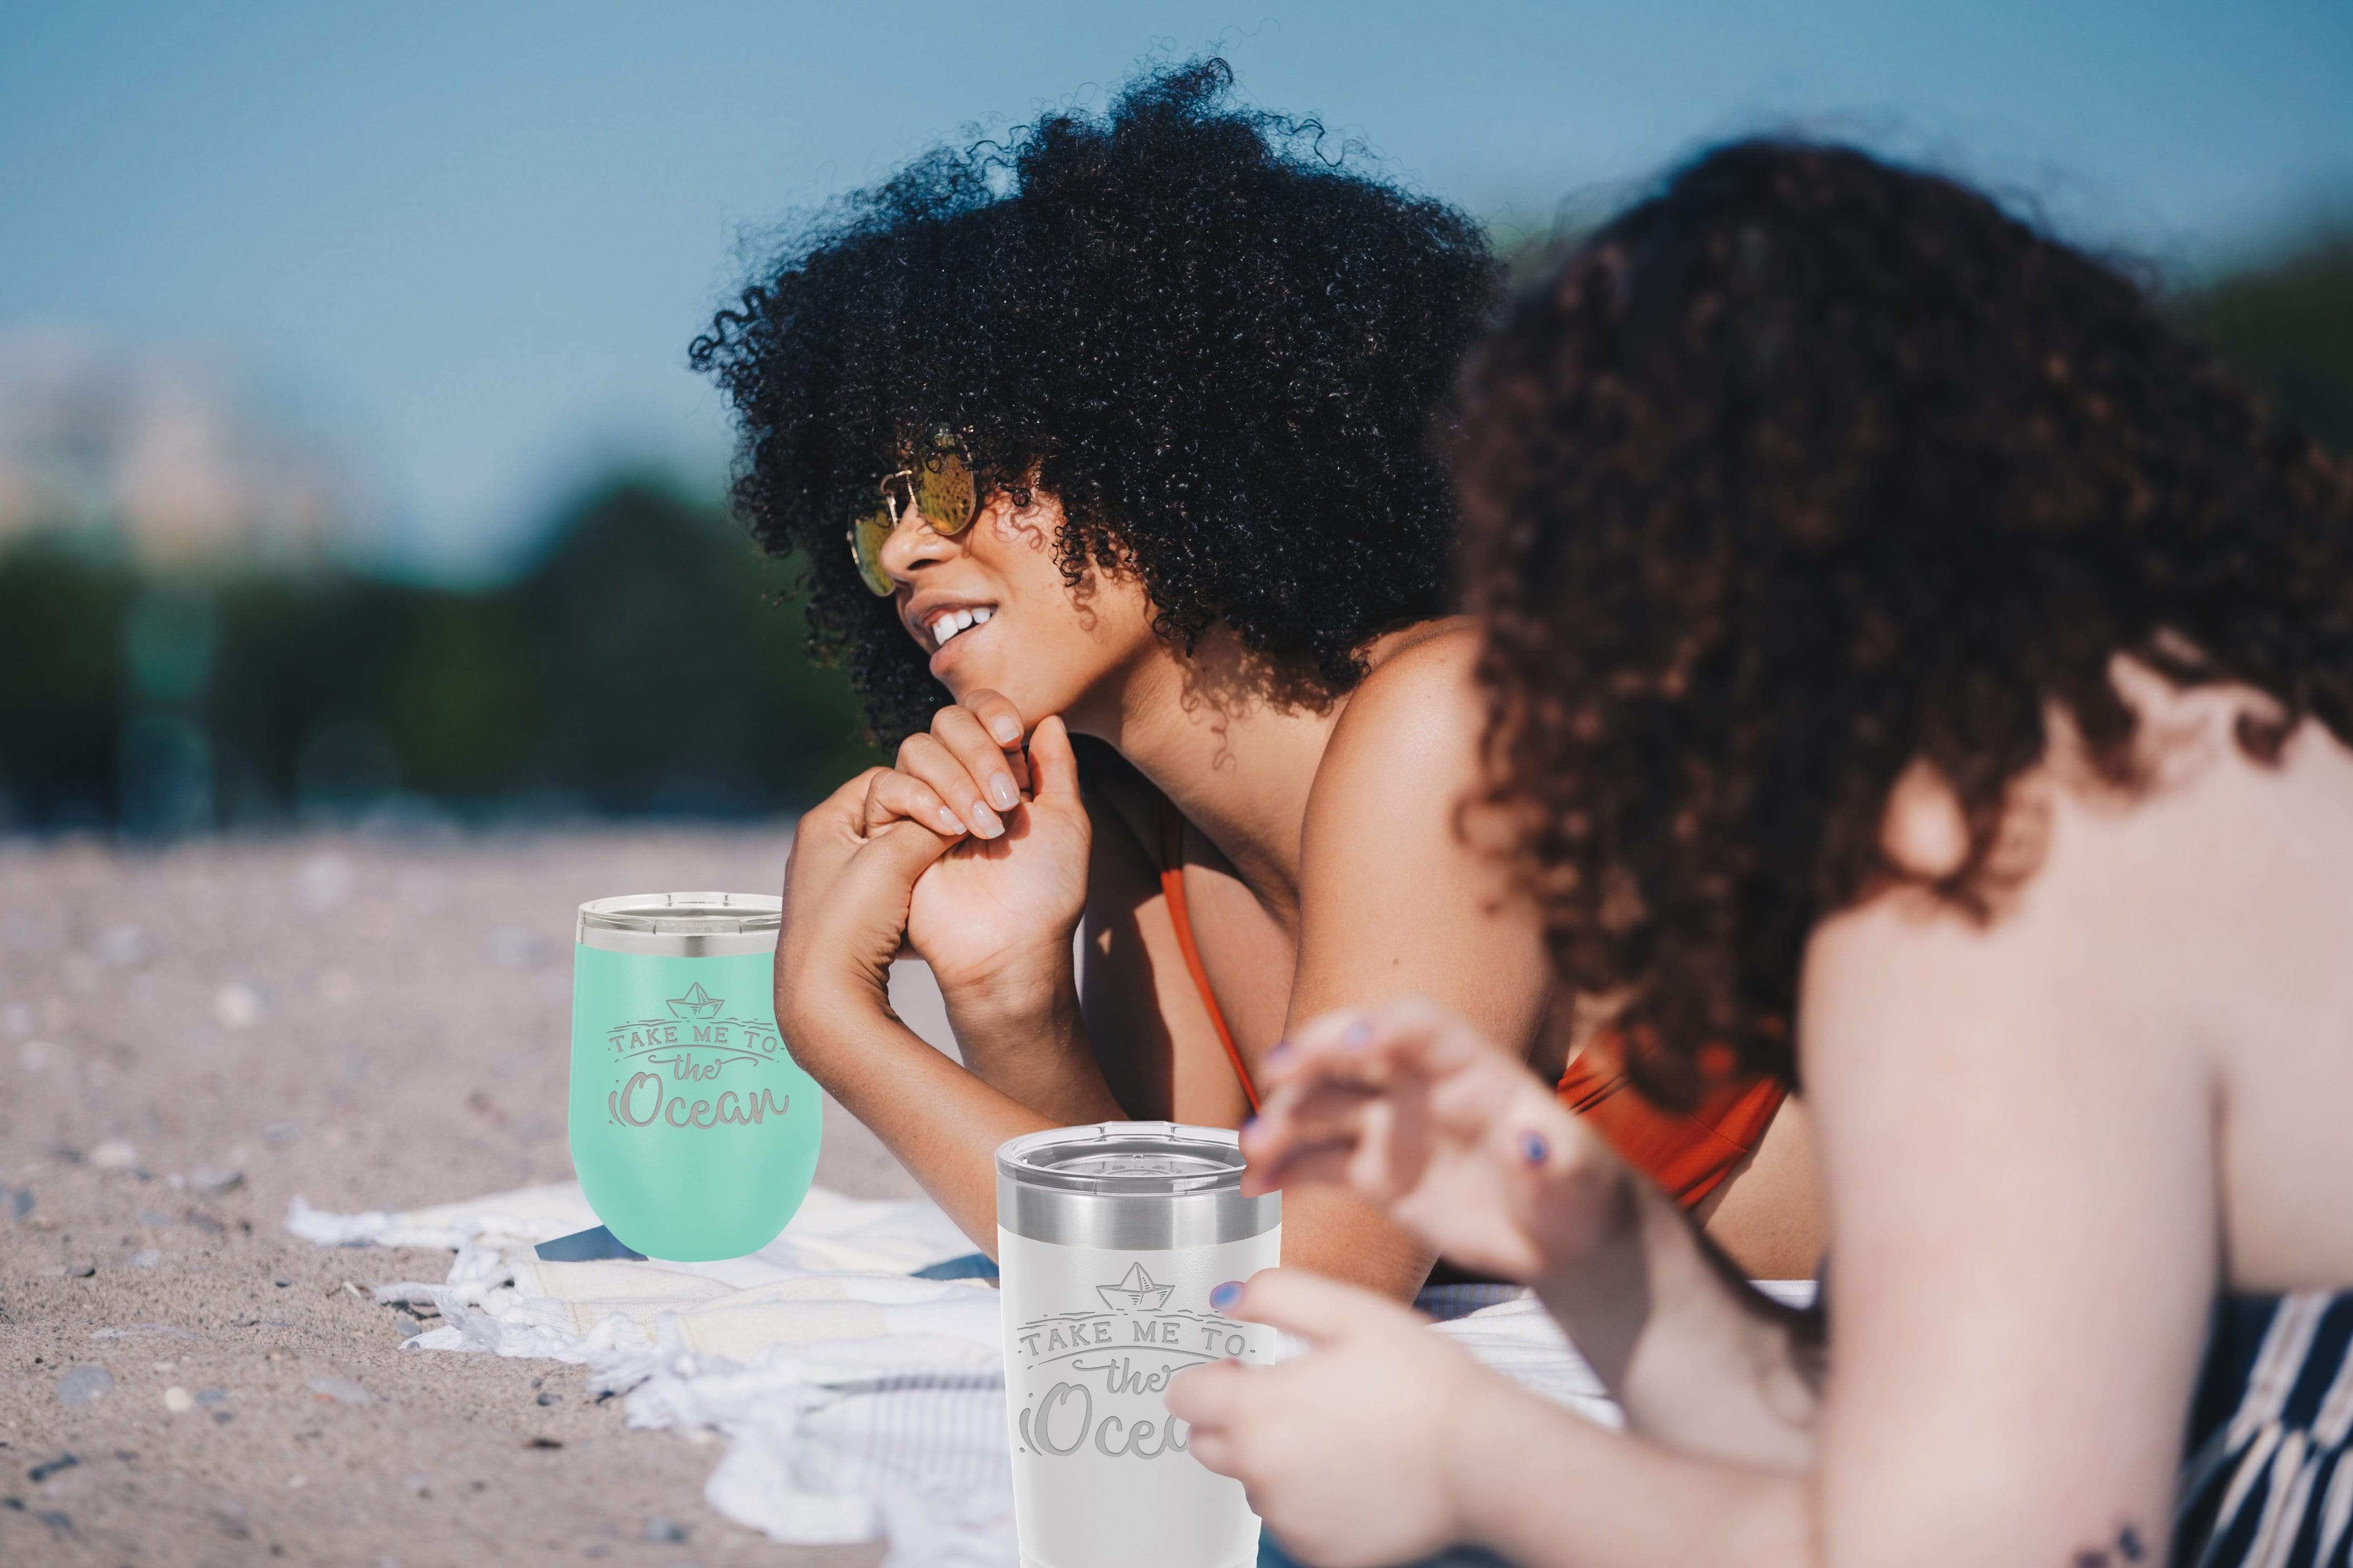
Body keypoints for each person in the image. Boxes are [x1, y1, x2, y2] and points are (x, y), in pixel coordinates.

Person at [1169, 138, 2353, 1566]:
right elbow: (1918, 1440)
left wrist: (1468, 1458)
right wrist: (1606, 1246)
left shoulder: (1996, 856)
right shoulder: (2154, 741)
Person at [690, 61, 1820, 1291]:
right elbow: (1146, 1217)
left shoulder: (1452, 718)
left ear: (1153, 430)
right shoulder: (1137, 819)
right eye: (876, 516)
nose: (905, 549)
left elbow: (1290, 1282)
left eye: (950, 478)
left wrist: (831, 1020)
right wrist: (1012, 1004)